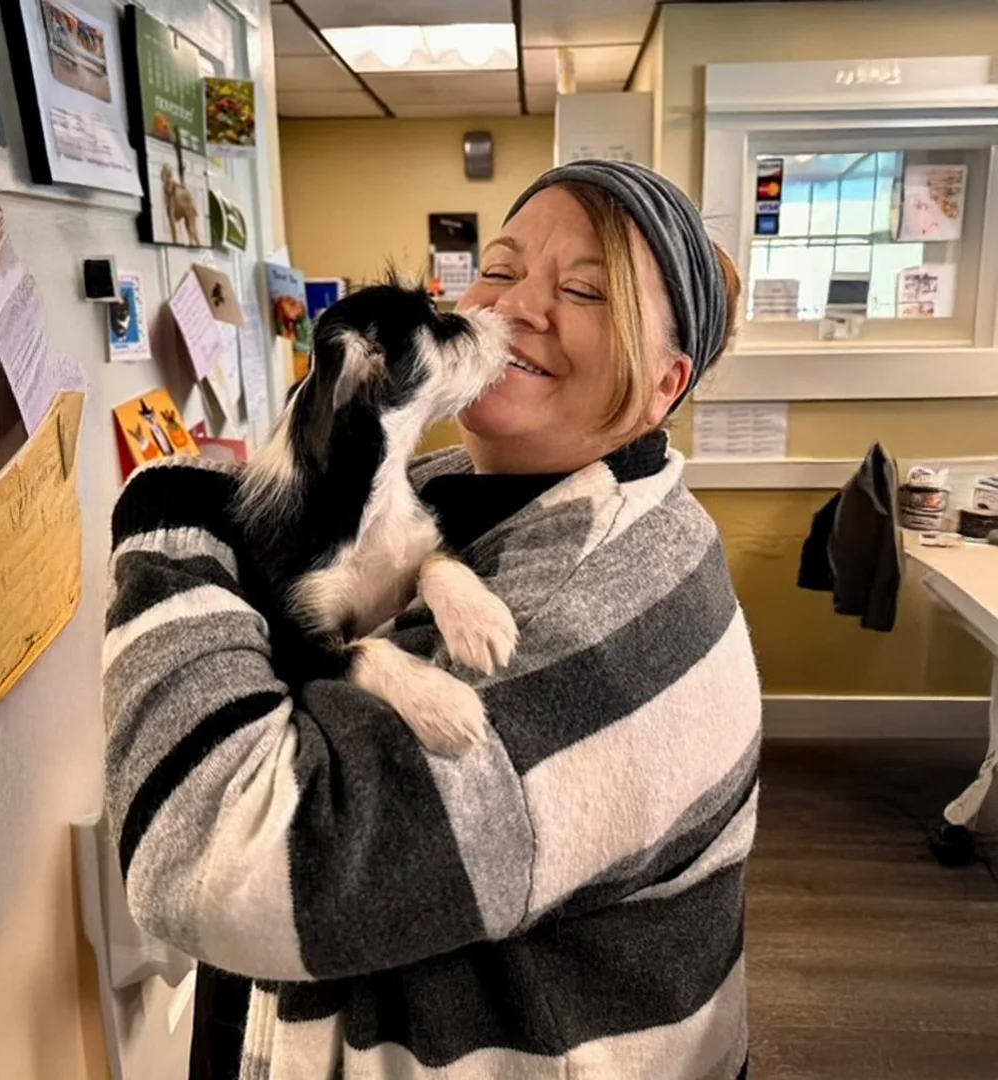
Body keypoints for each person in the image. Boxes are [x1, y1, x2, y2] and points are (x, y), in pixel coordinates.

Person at [103, 160, 759, 1080]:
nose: (514, 307)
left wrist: (168, 530)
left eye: (583, 290)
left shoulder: (601, 607)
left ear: (665, 383)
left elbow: (217, 858)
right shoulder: (459, 490)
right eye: (499, 267)